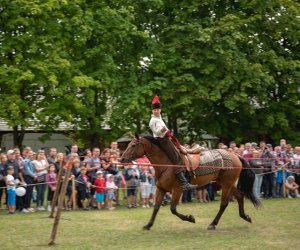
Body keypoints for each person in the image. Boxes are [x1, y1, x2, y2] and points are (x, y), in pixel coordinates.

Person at [149, 95, 196, 190]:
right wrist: (163, 131)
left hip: (167, 139)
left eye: (158, 109)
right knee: (176, 158)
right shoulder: (152, 121)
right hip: (163, 141)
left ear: (160, 110)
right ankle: (184, 183)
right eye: (155, 110)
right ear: (152, 111)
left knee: (179, 153)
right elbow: (156, 132)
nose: (157, 111)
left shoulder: (159, 118)